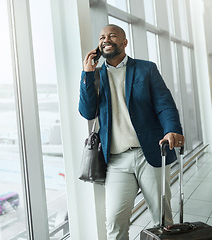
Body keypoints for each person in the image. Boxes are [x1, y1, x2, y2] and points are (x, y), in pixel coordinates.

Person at [79, 24, 185, 240]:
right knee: (115, 225)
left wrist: (171, 130)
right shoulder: (96, 76)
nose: (105, 39)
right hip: (116, 161)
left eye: (112, 36)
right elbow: (87, 112)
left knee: (163, 222)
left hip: (151, 155)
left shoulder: (146, 69)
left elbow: (164, 104)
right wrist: (87, 74)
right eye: (101, 37)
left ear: (124, 42)